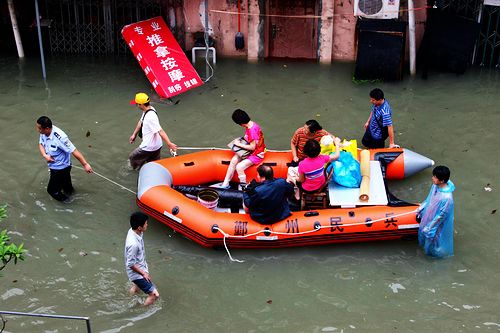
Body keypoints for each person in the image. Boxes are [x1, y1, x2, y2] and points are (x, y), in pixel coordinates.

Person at [36, 116, 93, 202]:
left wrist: (85, 164)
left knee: (52, 191)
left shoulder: (61, 138)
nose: (38, 130)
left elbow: (74, 151)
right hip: (56, 167)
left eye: (39, 128)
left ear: (47, 128)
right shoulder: (44, 133)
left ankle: (69, 203)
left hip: (60, 169)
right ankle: (72, 196)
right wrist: (45, 155)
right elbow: (41, 144)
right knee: (67, 188)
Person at [128, 92, 177, 170]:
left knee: (132, 159)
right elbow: (141, 122)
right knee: (153, 163)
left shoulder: (150, 117)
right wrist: (134, 134)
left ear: (141, 105)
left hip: (148, 147)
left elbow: (160, 131)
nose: (136, 105)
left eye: (137, 104)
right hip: (157, 145)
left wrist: (169, 144)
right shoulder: (150, 109)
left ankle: (137, 171)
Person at [220, 109, 265, 188]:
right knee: (234, 161)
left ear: (240, 123)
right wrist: (241, 140)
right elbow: (250, 140)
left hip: (257, 154)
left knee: (239, 167)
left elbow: (252, 147)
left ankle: (243, 186)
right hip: (250, 151)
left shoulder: (252, 130)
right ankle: (226, 183)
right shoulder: (251, 125)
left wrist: (238, 144)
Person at [417, 166, 455, 258]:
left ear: (441, 181)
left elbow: (442, 215)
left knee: (433, 240)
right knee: (422, 234)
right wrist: (422, 207)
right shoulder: (435, 185)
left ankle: (434, 256)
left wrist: (430, 226)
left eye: (435, 177)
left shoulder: (447, 198)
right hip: (428, 214)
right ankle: (423, 249)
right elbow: (429, 198)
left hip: (436, 222)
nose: (432, 178)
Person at [124, 212, 160, 306]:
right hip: (137, 273)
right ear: (139, 227)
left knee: (137, 287)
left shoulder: (133, 230)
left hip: (140, 266)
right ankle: (142, 311)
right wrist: (143, 273)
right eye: (145, 223)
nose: (147, 224)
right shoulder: (133, 244)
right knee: (154, 295)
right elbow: (130, 264)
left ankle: (129, 298)